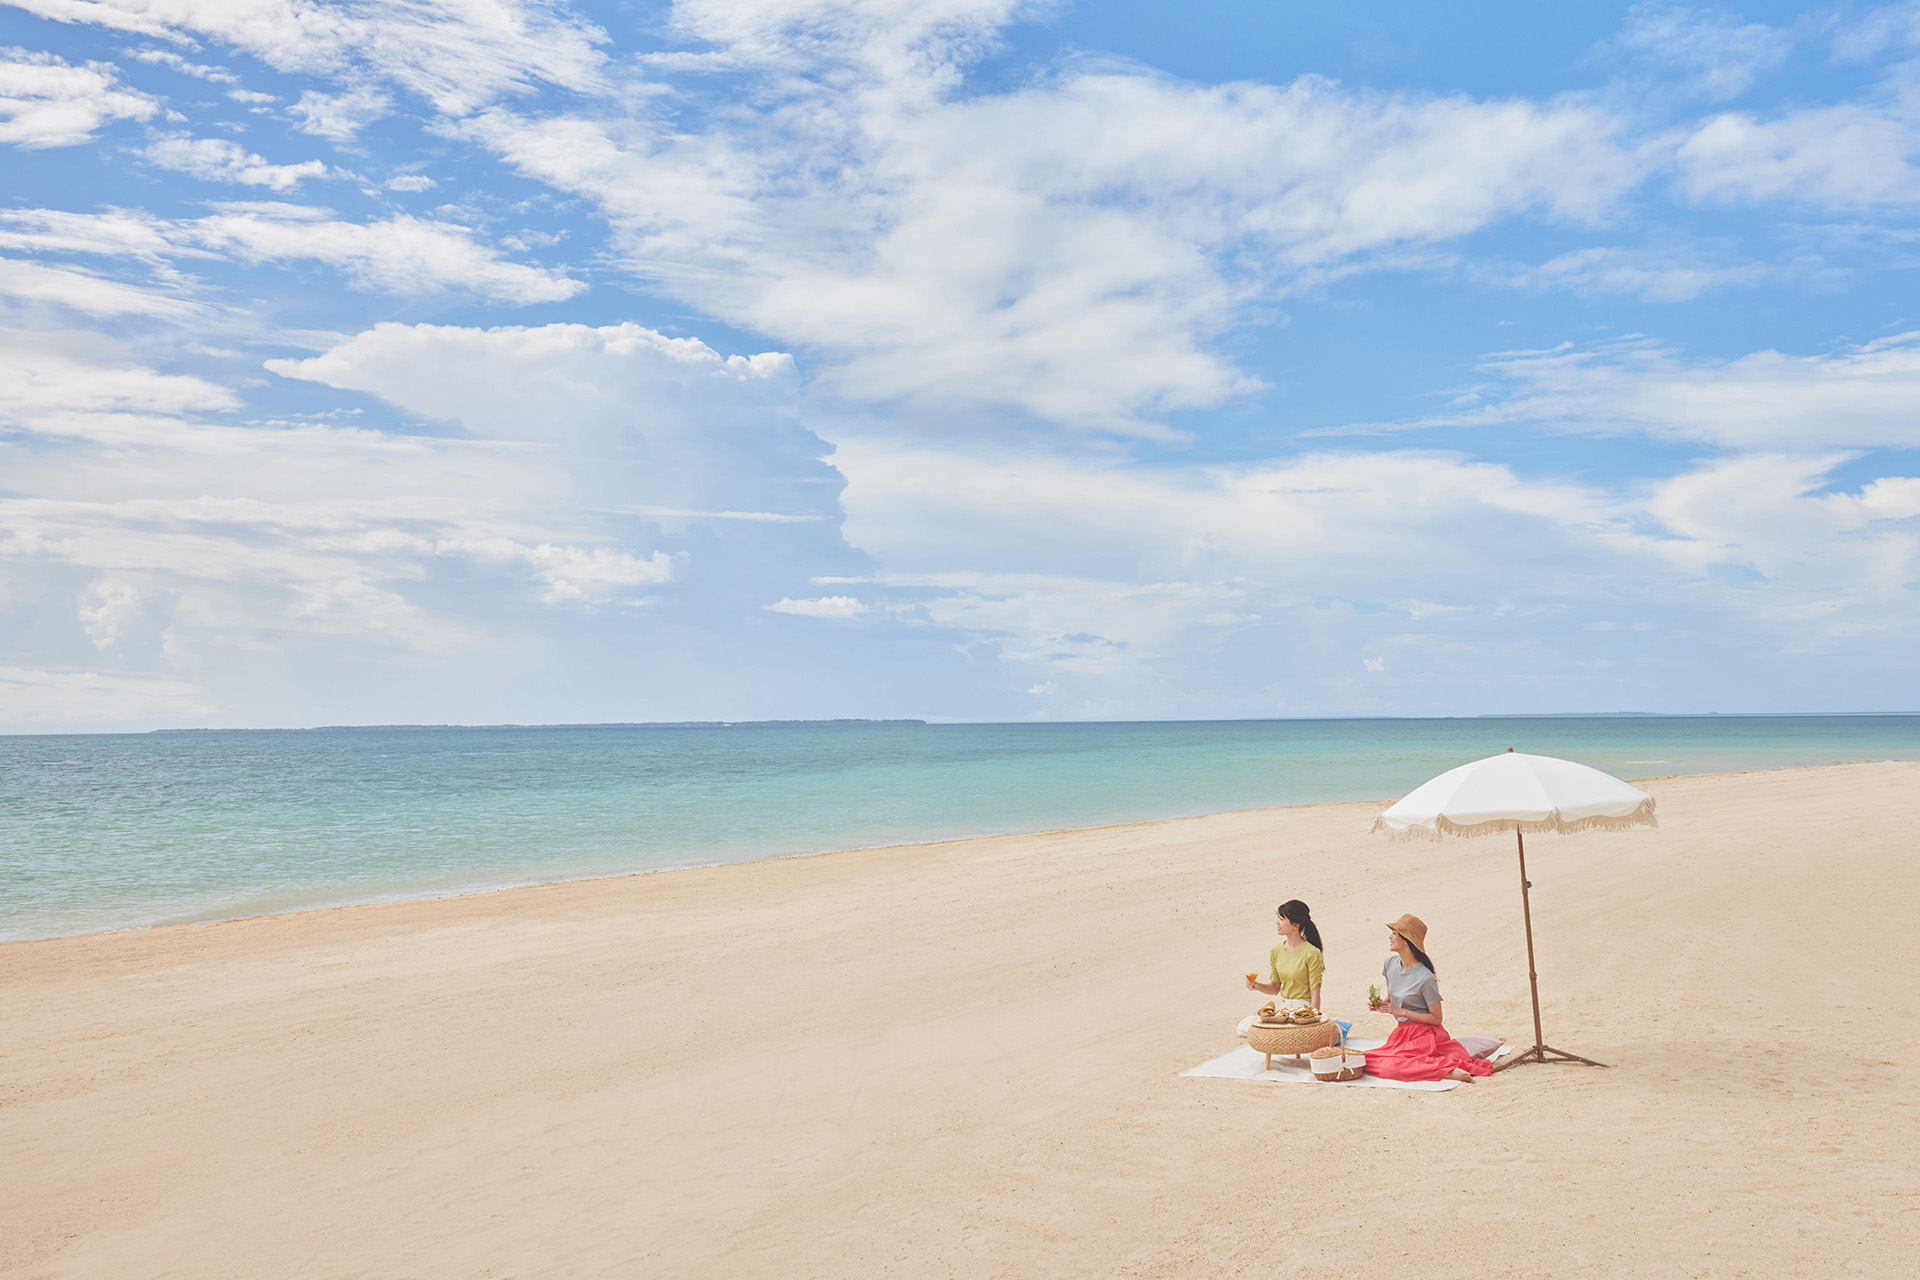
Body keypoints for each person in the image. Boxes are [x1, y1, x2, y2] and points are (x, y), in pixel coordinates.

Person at [1363, 913, 1492, 1082]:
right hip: (1401, 1033)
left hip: (1425, 1035)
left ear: (1406, 941)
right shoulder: (1390, 964)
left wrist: (1400, 1011)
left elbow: (1436, 1018)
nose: (1390, 936)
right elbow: (1392, 996)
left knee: (1392, 1067)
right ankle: (1440, 1069)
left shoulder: (1425, 978)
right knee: (1368, 1061)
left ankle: (1448, 1072)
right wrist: (1383, 1004)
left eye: (1395, 933)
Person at [1245, 899, 1324, 1012]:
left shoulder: (1312, 953)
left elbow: (1315, 993)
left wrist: (1313, 1017)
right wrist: (1256, 985)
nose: (1277, 922)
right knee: (1244, 1026)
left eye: (1281, 919)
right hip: (1284, 1009)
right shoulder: (1276, 951)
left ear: (1295, 925)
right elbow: (1274, 989)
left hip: (1304, 1009)